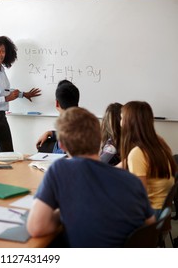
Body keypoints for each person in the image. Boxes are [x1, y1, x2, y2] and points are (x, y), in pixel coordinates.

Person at [27, 107, 155, 248]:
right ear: (100, 139)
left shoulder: (60, 170)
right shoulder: (133, 181)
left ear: (61, 145)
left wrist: (61, 211)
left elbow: (37, 227)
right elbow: (149, 224)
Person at [0, 35, 41, 152]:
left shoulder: (0, 70)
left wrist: (23, 94)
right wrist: (6, 99)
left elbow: (3, 91)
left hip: (0, 115)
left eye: (2, 51)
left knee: (8, 153)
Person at [120, 101, 176, 215]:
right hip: (162, 213)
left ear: (130, 122)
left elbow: (140, 197)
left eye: (121, 118)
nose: (120, 123)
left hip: (150, 216)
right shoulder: (159, 143)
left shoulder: (137, 153)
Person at [36, 79, 79, 154]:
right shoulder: (84, 119)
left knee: (43, 146)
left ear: (57, 103)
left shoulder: (65, 121)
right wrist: (50, 133)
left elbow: (63, 152)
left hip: (62, 156)